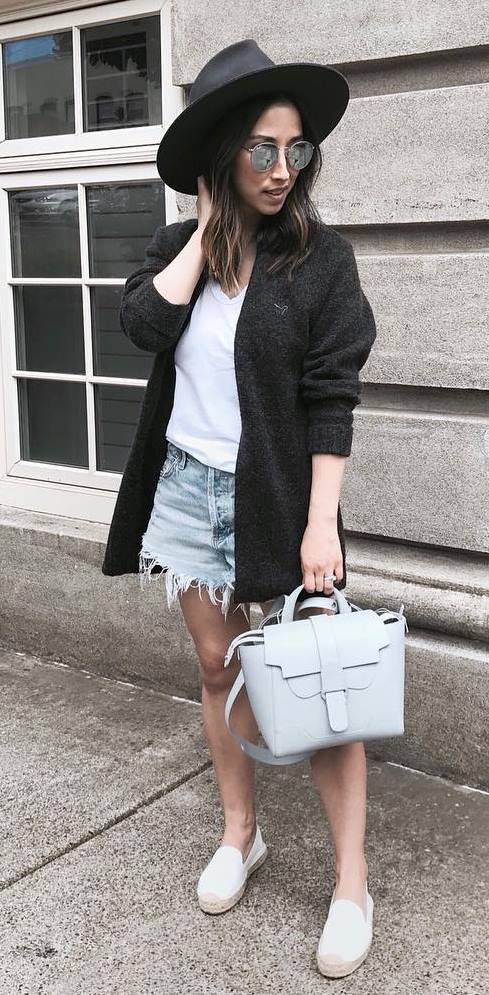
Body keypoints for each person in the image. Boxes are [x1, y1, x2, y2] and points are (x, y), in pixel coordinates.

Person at [102, 40, 377, 978]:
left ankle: (350, 882)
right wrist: (204, 227)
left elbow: (331, 397)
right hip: (186, 489)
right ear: (223, 154)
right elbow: (142, 323)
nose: (280, 169)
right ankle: (240, 832)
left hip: (278, 501)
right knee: (217, 669)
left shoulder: (320, 259)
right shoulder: (175, 249)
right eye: (260, 148)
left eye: (294, 151)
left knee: (325, 691)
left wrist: (318, 523)